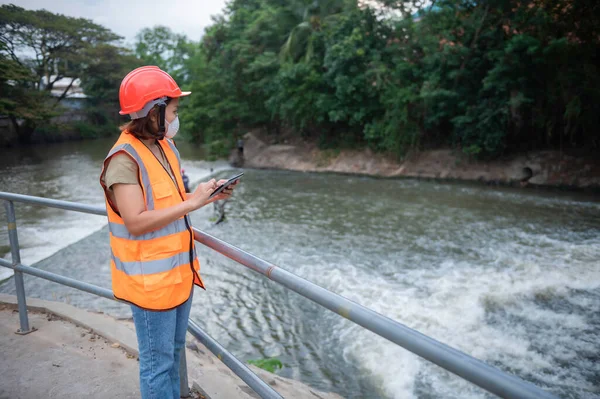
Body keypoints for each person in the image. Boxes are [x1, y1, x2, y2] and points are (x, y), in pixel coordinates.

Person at [99, 66, 237, 399]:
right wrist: (191, 205)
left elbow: (172, 203)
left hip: (179, 275)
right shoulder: (123, 158)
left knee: (174, 353)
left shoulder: (164, 147)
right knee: (157, 365)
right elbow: (136, 221)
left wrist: (206, 195)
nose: (177, 118)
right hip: (150, 285)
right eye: (173, 111)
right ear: (153, 112)